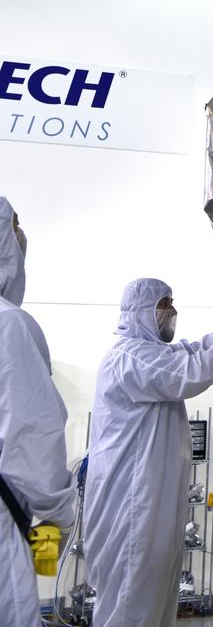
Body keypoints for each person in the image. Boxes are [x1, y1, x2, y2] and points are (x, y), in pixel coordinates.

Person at [83, 276, 213, 627]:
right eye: (165, 304)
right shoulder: (130, 357)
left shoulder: (151, 353)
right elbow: (192, 371)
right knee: (130, 605)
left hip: (150, 506)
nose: (173, 311)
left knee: (151, 602)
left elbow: (196, 348)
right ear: (143, 311)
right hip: (131, 509)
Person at [0, 196, 76, 627]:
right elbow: (38, 470)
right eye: (14, 228)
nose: (22, 240)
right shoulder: (9, 326)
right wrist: (55, 539)